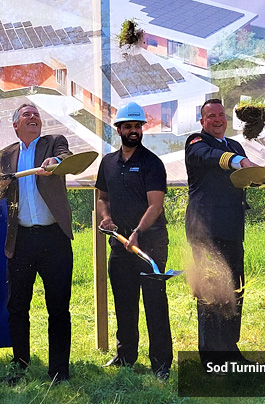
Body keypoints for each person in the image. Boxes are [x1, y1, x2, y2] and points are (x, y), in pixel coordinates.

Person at [184, 98, 265, 367]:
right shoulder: (196, 142)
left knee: (235, 290)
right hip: (206, 230)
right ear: (203, 122)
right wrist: (241, 161)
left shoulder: (234, 145)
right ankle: (212, 358)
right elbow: (211, 158)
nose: (217, 119)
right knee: (211, 292)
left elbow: (242, 180)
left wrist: (261, 174)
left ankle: (230, 349)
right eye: (210, 116)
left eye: (221, 115)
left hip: (233, 229)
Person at [0, 103, 74, 384]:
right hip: (21, 240)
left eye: (36, 114)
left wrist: (55, 164)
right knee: (17, 307)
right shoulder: (6, 156)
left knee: (58, 307)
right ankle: (19, 365)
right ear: (15, 125)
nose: (33, 117)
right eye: (27, 114)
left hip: (54, 238)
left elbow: (66, 157)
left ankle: (59, 371)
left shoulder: (53, 143)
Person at [95, 102, 172, 379]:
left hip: (150, 243)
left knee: (154, 303)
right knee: (124, 302)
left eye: (138, 126)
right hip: (119, 243)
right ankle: (126, 356)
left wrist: (137, 232)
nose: (134, 131)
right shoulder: (108, 163)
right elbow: (103, 199)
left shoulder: (152, 163)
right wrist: (106, 218)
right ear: (118, 129)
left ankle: (161, 363)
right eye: (128, 126)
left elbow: (155, 205)